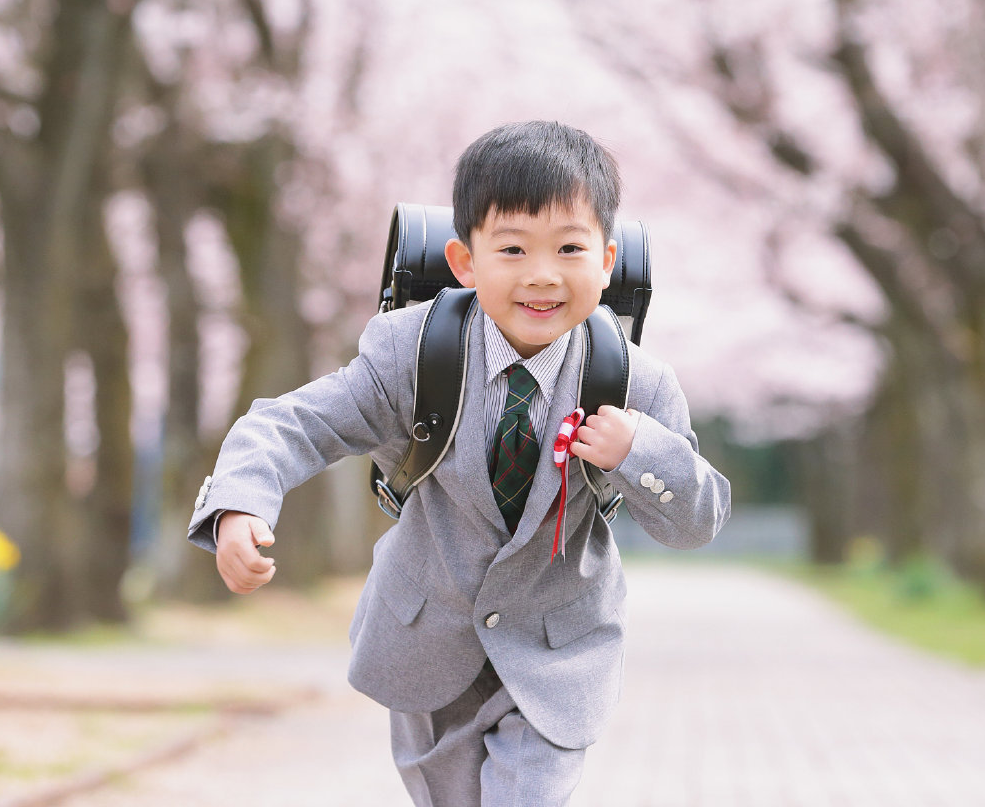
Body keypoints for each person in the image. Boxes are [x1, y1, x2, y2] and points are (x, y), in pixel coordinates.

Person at [188, 120, 731, 806]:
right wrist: (240, 502)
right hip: (427, 647)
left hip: (556, 654)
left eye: (569, 248)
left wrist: (639, 451)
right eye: (512, 248)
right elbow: (293, 424)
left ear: (607, 261)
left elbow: (698, 520)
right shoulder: (412, 357)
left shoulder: (636, 384)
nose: (542, 274)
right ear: (465, 261)